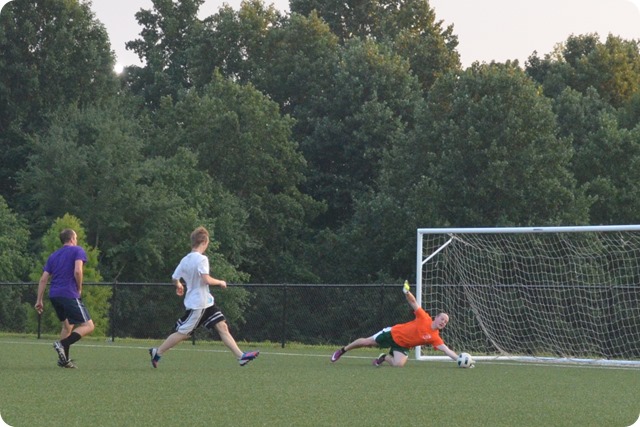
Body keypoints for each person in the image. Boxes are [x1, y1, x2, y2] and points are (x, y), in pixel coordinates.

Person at [149, 226, 259, 368]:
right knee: (184, 333)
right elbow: (206, 279)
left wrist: (179, 285)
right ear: (205, 242)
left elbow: (174, 277)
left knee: (222, 326)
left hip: (206, 302)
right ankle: (157, 352)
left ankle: (241, 357)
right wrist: (220, 282)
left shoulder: (185, 260)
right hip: (198, 304)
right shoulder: (202, 259)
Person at [331, 281, 459, 367]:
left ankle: (384, 357)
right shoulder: (424, 318)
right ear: (436, 318)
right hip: (393, 334)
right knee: (366, 342)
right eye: (442, 319)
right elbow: (413, 302)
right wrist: (407, 292)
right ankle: (342, 350)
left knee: (398, 364)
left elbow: (446, 350)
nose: (443, 322)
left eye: (445, 322)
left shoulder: (435, 337)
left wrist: (459, 360)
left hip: (403, 346)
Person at [35, 228, 95, 369]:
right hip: (68, 293)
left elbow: (43, 279)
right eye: (76, 238)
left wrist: (39, 300)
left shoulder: (54, 255)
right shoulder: (78, 250)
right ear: (72, 239)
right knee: (88, 326)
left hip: (54, 294)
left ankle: (64, 360)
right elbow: (78, 271)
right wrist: (79, 287)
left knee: (67, 326)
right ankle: (62, 344)